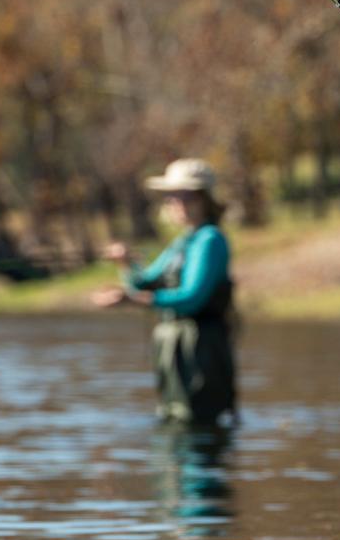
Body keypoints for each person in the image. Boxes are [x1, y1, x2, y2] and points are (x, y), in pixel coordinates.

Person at [93, 158, 237, 426]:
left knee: (196, 421)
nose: (175, 202)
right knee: (173, 418)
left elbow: (192, 298)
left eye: (184, 195)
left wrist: (133, 300)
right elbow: (144, 282)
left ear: (202, 198)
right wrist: (126, 264)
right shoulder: (184, 241)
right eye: (171, 196)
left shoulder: (210, 240)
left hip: (200, 348)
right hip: (174, 348)